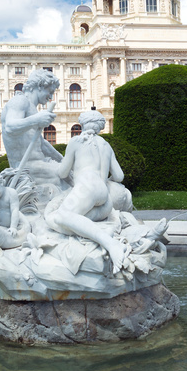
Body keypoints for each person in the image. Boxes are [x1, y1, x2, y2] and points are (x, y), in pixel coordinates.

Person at [46, 110, 130, 274]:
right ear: (100, 126)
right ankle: (105, 236)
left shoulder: (77, 141)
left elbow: (62, 173)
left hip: (87, 187)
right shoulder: (106, 145)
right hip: (105, 199)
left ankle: (112, 244)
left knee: (58, 217)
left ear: (82, 123)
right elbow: (119, 176)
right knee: (66, 223)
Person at [1, 69, 64, 185]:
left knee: (70, 171)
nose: (50, 97)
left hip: (40, 165)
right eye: (50, 91)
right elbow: (10, 127)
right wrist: (37, 119)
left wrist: (62, 159)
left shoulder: (32, 109)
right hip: (26, 168)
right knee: (67, 175)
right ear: (40, 86)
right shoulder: (19, 100)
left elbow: (42, 144)